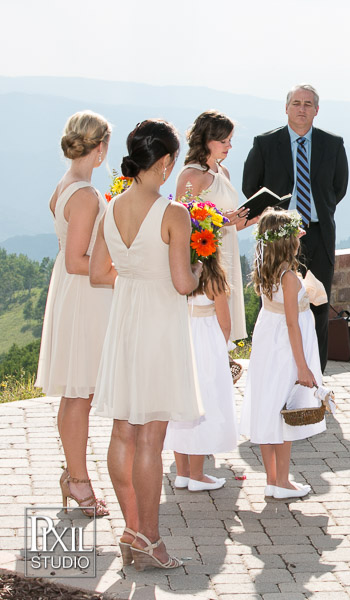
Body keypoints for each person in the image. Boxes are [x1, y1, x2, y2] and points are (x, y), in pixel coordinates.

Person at [90, 120, 204, 570]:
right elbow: (181, 283)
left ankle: (130, 528)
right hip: (158, 324)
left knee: (123, 431)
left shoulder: (111, 206)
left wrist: (136, 274)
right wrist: (198, 271)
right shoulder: (174, 213)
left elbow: (100, 274)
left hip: (125, 320)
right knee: (151, 440)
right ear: (166, 161)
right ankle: (150, 539)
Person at [36, 110, 113, 518]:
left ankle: (74, 474)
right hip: (84, 293)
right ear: (100, 148)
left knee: (76, 391)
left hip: (72, 294)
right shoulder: (85, 194)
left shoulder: (66, 185)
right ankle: (79, 479)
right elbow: (76, 261)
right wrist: (124, 271)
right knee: (80, 393)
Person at [243, 84, 349, 371]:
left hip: (318, 234)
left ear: (316, 110)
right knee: (278, 306)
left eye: (308, 104)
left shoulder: (333, 144)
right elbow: (250, 187)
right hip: (278, 238)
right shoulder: (266, 144)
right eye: (296, 103)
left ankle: (316, 374)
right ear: (286, 107)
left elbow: (338, 189)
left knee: (318, 305)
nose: (302, 108)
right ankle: (281, 371)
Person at [240, 209, 324, 500]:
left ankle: (273, 479)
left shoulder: (267, 267)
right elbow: (291, 322)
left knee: (268, 405)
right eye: (296, 233)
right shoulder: (288, 276)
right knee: (284, 410)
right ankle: (282, 481)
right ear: (288, 241)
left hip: (268, 342)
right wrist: (302, 366)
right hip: (285, 349)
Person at [163, 249, 238, 492]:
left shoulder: (175, 276)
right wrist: (222, 352)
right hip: (206, 348)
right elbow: (225, 324)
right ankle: (197, 475)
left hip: (180, 342)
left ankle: (182, 473)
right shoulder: (214, 279)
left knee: (180, 407)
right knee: (204, 405)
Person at [177, 110, 255, 342]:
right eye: (223, 141)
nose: (229, 146)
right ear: (205, 140)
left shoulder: (224, 172)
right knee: (210, 327)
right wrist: (221, 219)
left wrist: (257, 217)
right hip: (206, 259)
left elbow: (231, 225)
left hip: (228, 252)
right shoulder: (191, 175)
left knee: (227, 325)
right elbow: (182, 223)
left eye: (230, 140)